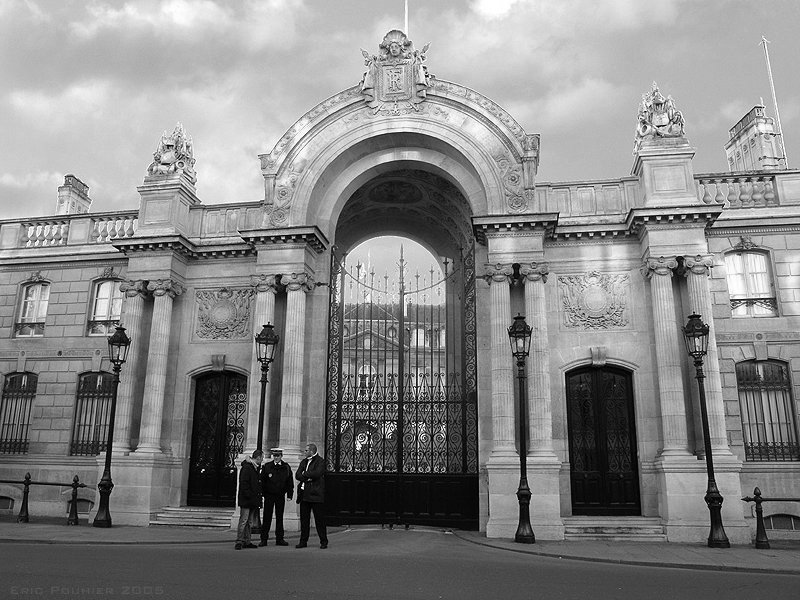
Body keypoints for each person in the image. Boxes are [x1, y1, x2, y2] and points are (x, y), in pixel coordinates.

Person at [295, 443, 328, 549]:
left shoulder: (320, 461)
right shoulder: (304, 462)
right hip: (304, 494)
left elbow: (317, 474)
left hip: (315, 494)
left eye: (306, 450)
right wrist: (306, 476)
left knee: (319, 520)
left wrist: (305, 474)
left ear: (311, 451)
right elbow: (297, 475)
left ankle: (323, 541)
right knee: (304, 520)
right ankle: (303, 541)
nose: (304, 452)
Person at [259, 447, 293, 547]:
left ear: (281, 456)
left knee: (279, 517)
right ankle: (264, 539)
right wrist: (263, 494)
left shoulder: (286, 467)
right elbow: (263, 481)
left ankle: (280, 538)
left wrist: (289, 494)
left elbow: (289, 482)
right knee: (267, 517)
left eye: (278, 456)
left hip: (280, 495)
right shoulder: (267, 466)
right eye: (274, 456)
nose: (276, 458)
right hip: (269, 495)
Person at [235, 449, 263, 550]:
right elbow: (244, 483)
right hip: (247, 499)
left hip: (251, 499)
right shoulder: (247, 467)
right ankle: (239, 540)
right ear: (258, 458)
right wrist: (250, 495)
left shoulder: (254, 467)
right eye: (262, 458)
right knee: (244, 520)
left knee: (249, 522)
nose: (262, 460)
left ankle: (247, 540)